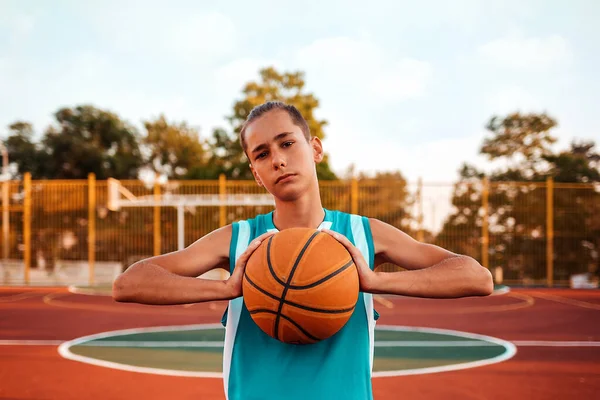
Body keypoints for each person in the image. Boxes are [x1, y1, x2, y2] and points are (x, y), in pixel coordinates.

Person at [113, 101, 494, 400]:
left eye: (287, 143)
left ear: (315, 149)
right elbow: (129, 284)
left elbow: (477, 277)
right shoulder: (238, 239)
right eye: (261, 154)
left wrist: (375, 281)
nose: (277, 159)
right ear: (255, 173)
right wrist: (227, 288)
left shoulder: (364, 234)